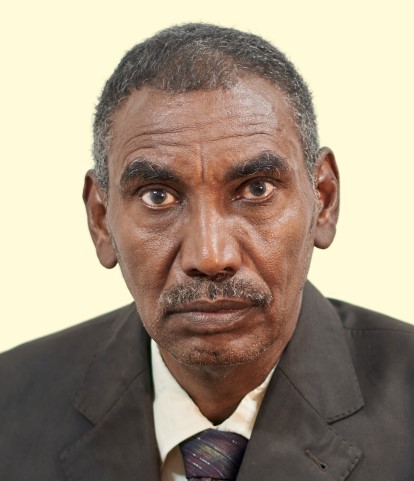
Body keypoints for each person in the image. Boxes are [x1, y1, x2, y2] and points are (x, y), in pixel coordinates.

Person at [1, 23, 413, 481]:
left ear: (324, 199)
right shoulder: (9, 404)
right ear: (101, 219)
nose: (210, 256)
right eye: (158, 196)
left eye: (256, 189)